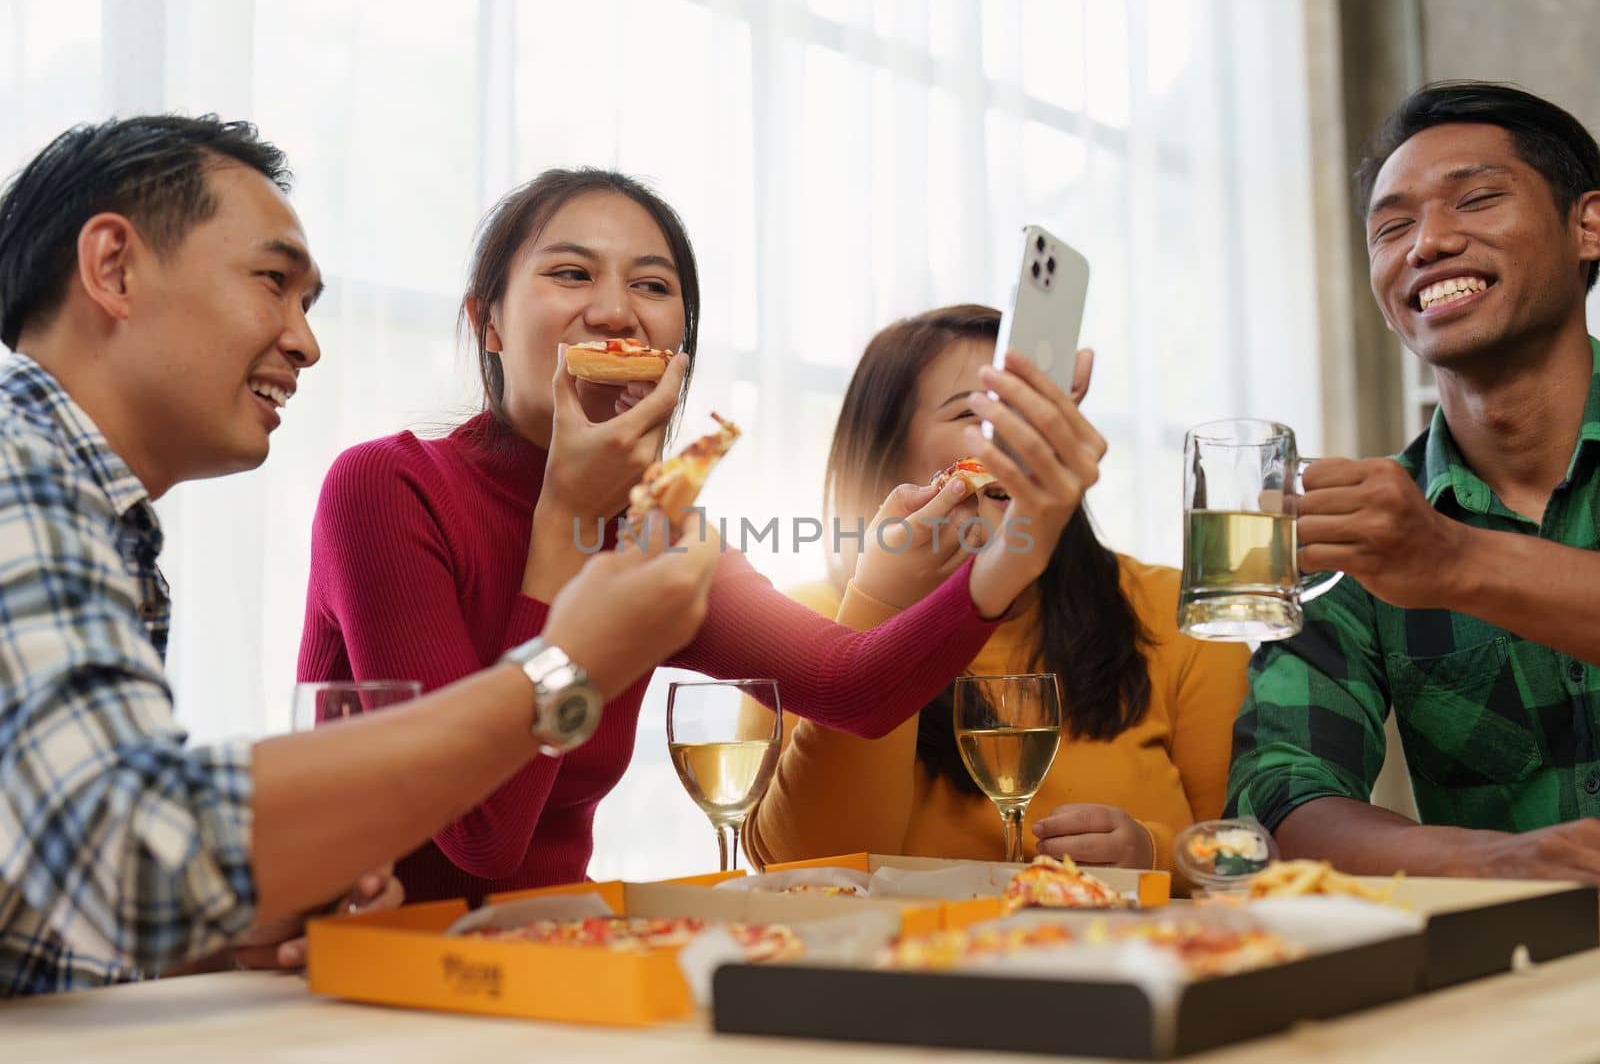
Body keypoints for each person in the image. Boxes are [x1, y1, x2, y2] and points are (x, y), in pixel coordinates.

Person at [0, 115, 723, 997]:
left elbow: (59, 907)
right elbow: (125, 848)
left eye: (309, 306)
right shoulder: (18, 460)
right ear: (113, 267)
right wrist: (563, 671)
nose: (306, 343)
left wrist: (229, 930)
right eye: (273, 282)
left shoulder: (98, 517)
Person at [297, 171, 1086, 902]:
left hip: (550, 954)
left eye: (651, 286)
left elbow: (857, 687)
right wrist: (563, 529)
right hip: (360, 971)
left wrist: (1023, 543)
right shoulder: (386, 489)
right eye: (571, 274)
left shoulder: (664, 533)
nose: (614, 311)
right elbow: (482, 836)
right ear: (488, 322)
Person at [1226, 81, 1600, 879]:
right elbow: (1281, 797)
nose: (1426, 244)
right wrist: (1504, 859)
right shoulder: (1360, 535)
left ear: (1588, 225)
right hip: (1520, 974)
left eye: (1476, 200)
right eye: (1391, 227)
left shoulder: (1407, 537)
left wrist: (1456, 563)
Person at [742, 305, 1250, 874]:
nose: (1013, 438)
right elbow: (809, 872)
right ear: (887, 453)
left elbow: (1247, 855)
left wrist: (1157, 854)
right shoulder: (805, 622)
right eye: (975, 413)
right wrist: (885, 613)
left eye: (1027, 410)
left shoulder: (1176, 611)